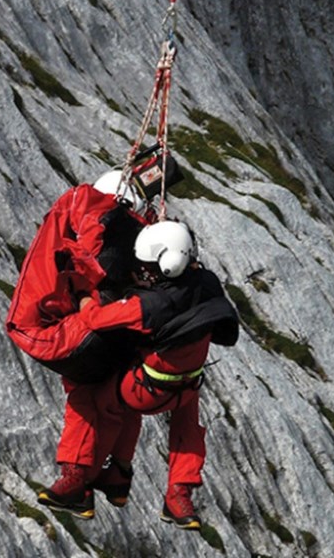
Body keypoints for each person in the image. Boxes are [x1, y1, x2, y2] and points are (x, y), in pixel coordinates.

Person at [39, 221, 239, 530]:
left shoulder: (149, 307)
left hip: (145, 390)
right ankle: (176, 495)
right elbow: (180, 288)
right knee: (186, 427)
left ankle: (77, 481)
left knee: (90, 398)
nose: (143, 271)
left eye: (148, 267)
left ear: (164, 265)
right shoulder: (207, 282)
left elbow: (94, 318)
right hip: (187, 386)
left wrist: (82, 292)